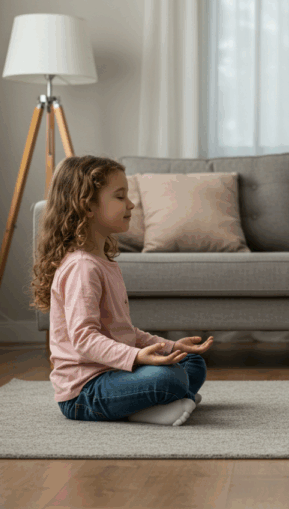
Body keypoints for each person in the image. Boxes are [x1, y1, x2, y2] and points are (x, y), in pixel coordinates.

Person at [30, 156, 214, 426]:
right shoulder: (82, 267)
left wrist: (170, 346)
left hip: (115, 371)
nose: (131, 204)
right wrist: (137, 357)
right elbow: (83, 339)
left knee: (191, 362)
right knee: (168, 378)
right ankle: (153, 406)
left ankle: (163, 402)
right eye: (120, 197)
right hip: (85, 392)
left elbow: (124, 332)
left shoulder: (103, 262)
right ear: (88, 206)